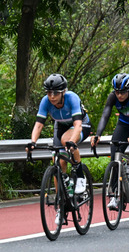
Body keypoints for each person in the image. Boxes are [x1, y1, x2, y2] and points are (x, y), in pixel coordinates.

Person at [29, 74, 92, 225]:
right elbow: (39, 124)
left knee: (66, 141)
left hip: (81, 125)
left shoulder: (72, 98)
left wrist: (71, 141)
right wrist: (32, 142)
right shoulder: (46, 101)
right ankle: (61, 205)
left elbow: (77, 125)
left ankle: (80, 176)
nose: (51, 96)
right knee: (57, 162)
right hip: (61, 126)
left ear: (63, 92)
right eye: (49, 92)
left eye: (55, 93)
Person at [91, 73, 129, 210]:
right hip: (123, 125)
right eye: (117, 92)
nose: (119, 95)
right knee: (114, 156)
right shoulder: (113, 96)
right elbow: (105, 114)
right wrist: (98, 134)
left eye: (122, 92)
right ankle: (114, 195)